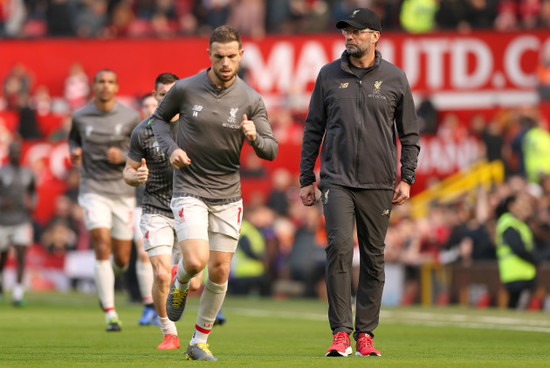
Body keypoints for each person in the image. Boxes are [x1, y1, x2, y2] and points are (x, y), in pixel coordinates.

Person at [149, 25, 278, 361]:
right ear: (209, 55)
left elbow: (271, 150)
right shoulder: (186, 88)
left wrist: (254, 137)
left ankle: (199, 341)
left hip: (228, 195)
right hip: (189, 187)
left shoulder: (250, 99)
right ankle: (180, 281)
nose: (225, 63)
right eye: (219, 56)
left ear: (241, 55)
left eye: (231, 56)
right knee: (195, 261)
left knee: (220, 270)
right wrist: (170, 149)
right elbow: (159, 120)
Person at [299, 8, 420, 357]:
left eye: (355, 31)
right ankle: (340, 332)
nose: (348, 36)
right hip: (335, 180)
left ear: (374, 36)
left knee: (373, 257)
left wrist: (407, 177)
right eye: (345, 31)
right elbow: (312, 129)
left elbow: (409, 134)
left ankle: (366, 334)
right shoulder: (328, 75)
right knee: (338, 248)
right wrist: (307, 177)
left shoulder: (396, 78)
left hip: (379, 182)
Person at [69, 69, 141, 332]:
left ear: (116, 86)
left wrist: (122, 157)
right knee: (100, 242)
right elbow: (73, 140)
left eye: (110, 82)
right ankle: (110, 312)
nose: (105, 86)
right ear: (94, 86)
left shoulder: (130, 117)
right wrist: (74, 152)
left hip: (122, 192)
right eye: (101, 81)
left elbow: (140, 150)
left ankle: (106, 278)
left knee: (121, 259)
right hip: (92, 188)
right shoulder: (80, 116)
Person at [0, 141, 37, 306]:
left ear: (21, 153)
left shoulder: (28, 173)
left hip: (22, 219)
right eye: (12, 151)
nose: (15, 153)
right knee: (2, 256)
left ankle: (17, 294)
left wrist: (33, 204)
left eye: (17, 151)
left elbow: (34, 192)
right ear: (8, 153)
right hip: (3, 220)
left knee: (21, 254)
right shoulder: (2, 173)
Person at [495, 193, 538, 309]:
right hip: (517, 272)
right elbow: (519, 248)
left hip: (522, 272)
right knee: (518, 307)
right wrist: (536, 258)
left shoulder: (521, 224)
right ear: (511, 206)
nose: (526, 207)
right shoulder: (509, 223)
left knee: (515, 305)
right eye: (522, 203)